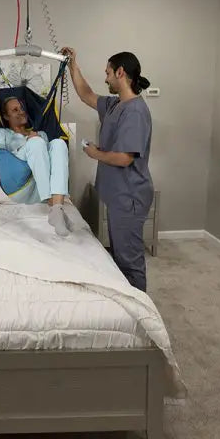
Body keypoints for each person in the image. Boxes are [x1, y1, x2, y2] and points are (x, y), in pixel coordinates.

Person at [61, 47, 153, 291]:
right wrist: (72, 65)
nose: (106, 78)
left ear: (120, 72)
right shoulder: (115, 105)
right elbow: (86, 95)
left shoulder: (135, 111)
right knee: (119, 256)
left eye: (108, 73)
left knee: (129, 260)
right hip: (117, 195)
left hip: (129, 196)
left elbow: (124, 158)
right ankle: (127, 300)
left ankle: (139, 308)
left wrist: (95, 153)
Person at [0, 96, 73, 236]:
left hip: (39, 184)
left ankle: (57, 209)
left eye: (22, 108)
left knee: (58, 143)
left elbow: (51, 163)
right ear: (6, 116)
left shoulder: (40, 134)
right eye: (15, 110)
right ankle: (52, 203)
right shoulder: (2, 133)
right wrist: (30, 141)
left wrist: (35, 137)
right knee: (35, 143)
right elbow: (2, 157)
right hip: (18, 185)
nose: (21, 112)